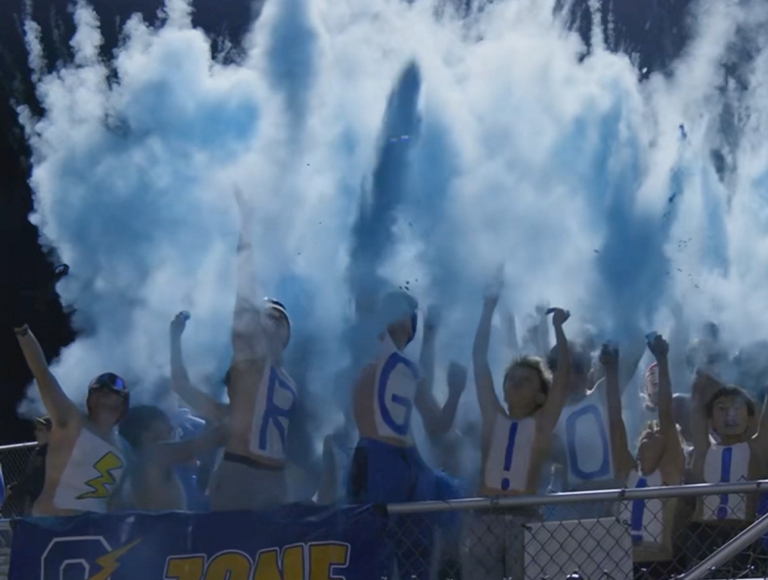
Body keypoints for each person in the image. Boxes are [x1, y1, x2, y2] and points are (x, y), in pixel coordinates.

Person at [171, 200, 298, 511]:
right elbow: (242, 298)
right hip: (240, 473)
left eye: (278, 317)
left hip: (275, 478)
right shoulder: (249, 362)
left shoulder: (286, 382)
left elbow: (186, 389)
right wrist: (246, 229)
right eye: (266, 316)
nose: (271, 321)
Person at [348, 289, 466, 580]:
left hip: (407, 463)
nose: (406, 317)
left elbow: (436, 425)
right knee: (375, 544)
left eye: (408, 314)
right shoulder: (374, 351)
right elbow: (363, 312)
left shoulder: (408, 368)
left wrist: (454, 392)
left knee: (417, 547)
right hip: (378, 458)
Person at [461, 274, 571, 580]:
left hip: (525, 518)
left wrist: (558, 330)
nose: (515, 383)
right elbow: (479, 359)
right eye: (511, 379)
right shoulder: (494, 416)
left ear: (539, 394)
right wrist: (487, 307)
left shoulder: (541, 424)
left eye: (525, 380)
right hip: (484, 516)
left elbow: (561, 380)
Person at [12, 324, 129, 515]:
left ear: (123, 402)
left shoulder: (123, 448)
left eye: (111, 390)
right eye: (97, 390)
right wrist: (22, 331)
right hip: (52, 527)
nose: (103, 392)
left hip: (94, 531)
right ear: (89, 399)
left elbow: (115, 501)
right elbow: (42, 374)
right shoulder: (73, 421)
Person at [606, 335, 685, 580]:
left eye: (656, 433)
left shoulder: (668, 474)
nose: (649, 433)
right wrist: (611, 370)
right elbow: (614, 422)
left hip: (660, 563)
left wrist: (662, 358)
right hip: (621, 562)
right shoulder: (627, 473)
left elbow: (666, 416)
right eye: (646, 433)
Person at [680, 370, 768, 575]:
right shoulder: (703, 450)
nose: (730, 415)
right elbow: (697, 404)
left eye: (737, 408)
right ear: (711, 421)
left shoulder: (755, 450)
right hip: (704, 534)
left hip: (742, 533)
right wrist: (705, 383)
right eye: (722, 409)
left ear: (749, 418)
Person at [119, 405, 226, 511]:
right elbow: (200, 445)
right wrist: (236, 422)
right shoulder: (152, 454)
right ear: (146, 432)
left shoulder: (135, 462)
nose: (171, 427)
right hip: (163, 526)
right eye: (164, 421)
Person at [2, 417, 52, 517]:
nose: (36, 433)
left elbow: (37, 478)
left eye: (41, 430)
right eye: (36, 430)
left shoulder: (50, 452)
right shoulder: (40, 452)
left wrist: (15, 490)